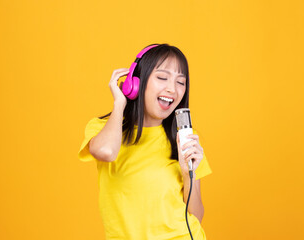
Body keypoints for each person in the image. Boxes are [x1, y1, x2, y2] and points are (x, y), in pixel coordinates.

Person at [78, 43, 212, 240]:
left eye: (180, 82)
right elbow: (106, 151)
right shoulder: (102, 128)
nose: (172, 89)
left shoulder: (184, 140)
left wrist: (187, 174)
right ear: (136, 84)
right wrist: (120, 103)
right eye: (162, 78)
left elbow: (196, 215)